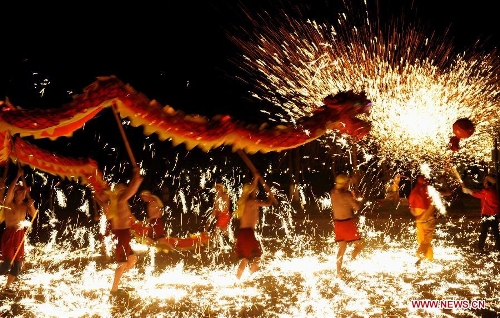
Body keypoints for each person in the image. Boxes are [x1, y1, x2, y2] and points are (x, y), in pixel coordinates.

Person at [94, 166, 143, 296]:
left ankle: (118, 280)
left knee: (132, 259)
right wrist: (136, 180)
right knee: (123, 263)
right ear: (120, 192)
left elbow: (130, 190)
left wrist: (135, 178)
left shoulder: (119, 202)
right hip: (121, 234)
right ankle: (114, 289)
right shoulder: (120, 200)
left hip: (124, 234)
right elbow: (132, 191)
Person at [0, 168, 37, 295]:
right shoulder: (8, 203)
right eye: (19, 192)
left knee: (18, 264)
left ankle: (7, 287)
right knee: (6, 264)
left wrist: (31, 204)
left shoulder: (25, 205)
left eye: (23, 193)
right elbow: (9, 190)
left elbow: (34, 215)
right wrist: (17, 176)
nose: (22, 194)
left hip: (20, 235)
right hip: (9, 234)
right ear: (15, 194)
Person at [235, 173, 274, 280]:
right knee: (257, 257)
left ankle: (237, 279)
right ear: (251, 192)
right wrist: (271, 195)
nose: (256, 190)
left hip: (242, 234)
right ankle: (250, 278)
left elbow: (253, 188)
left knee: (245, 259)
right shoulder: (252, 201)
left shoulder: (247, 202)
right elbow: (268, 203)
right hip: (248, 234)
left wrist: (256, 178)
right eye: (254, 190)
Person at [330, 173, 364, 279]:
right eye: (347, 183)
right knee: (359, 245)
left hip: (337, 224)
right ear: (345, 183)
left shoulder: (333, 192)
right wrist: (357, 198)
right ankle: (352, 260)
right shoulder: (347, 195)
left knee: (341, 249)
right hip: (347, 223)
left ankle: (338, 272)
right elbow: (357, 208)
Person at [461, 174, 500, 252]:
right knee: (496, 232)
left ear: (487, 183)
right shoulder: (494, 190)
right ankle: (499, 247)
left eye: (485, 181)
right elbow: (477, 191)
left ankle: (480, 248)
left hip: (487, 215)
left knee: (484, 232)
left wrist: (466, 190)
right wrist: (467, 189)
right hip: (495, 215)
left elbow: (474, 193)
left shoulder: (486, 192)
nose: (483, 182)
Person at [408, 174, 437, 265]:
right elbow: (435, 203)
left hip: (419, 220)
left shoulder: (414, 191)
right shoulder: (430, 190)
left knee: (421, 241)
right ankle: (422, 256)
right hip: (428, 220)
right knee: (426, 240)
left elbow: (411, 209)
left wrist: (418, 216)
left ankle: (428, 258)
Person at [207, 182, 232, 249]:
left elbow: (225, 206)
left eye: (218, 187)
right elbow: (215, 207)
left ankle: (212, 246)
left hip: (224, 215)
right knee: (225, 231)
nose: (216, 189)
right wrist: (213, 215)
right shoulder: (217, 196)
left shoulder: (225, 195)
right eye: (216, 187)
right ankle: (237, 242)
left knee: (217, 230)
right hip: (221, 215)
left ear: (221, 188)